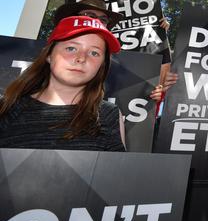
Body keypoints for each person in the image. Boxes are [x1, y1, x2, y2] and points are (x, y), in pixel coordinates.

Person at [0, 16, 124, 151]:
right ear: (49, 55)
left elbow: (119, 170)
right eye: (71, 48)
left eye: (94, 52)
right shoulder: (7, 108)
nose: (81, 58)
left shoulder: (109, 114)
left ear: (101, 65)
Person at [53, 0, 178, 102]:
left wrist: (155, 94)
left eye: (103, 20)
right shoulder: (55, 48)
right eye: (89, 15)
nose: (96, 21)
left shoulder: (113, 56)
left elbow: (127, 92)